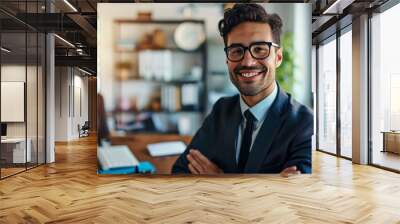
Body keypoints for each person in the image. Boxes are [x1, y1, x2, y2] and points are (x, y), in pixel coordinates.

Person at [171, 3, 313, 176]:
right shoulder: (221, 110)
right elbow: (180, 171)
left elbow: (298, 198)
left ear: (278, 57)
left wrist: (223, 182)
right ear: (227, 60)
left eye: (259, 49)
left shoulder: (304, 123)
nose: (247, 61)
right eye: (237, 51)